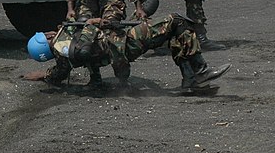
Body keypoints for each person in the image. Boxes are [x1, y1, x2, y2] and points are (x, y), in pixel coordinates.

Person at [24, 14, 231, 94]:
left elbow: (58, 74)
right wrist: (93, 23)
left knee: (171, 34)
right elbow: (92, 39)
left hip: (121, 51)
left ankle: (190, 78)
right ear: (47, 39)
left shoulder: (64, 58)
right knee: (176, 22)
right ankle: (200, 71)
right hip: (126, 41)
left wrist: (44, 75)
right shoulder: (67, 37)